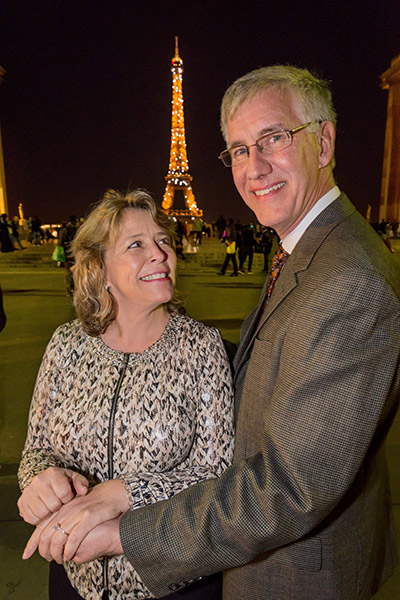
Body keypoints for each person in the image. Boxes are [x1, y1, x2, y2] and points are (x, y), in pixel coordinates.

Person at [24, 66, 400, 600]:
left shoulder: (346, 280)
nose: (255, 165)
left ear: (324, 142)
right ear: (97, 268)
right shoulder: (309, 253)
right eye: (239, 149)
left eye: (274, 138)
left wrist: (122, 520)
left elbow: (287, 487)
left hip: (291, 573)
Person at [17, 189, 234, 600]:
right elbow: (36, 449)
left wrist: (121, 494)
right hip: (72, 577)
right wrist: (40, 482)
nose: (160, 253)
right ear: (100, 268)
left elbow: (215, 472)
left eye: (163, 241)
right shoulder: (66, 345)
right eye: (136, 245)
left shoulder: (202, 347)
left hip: (173, 582)